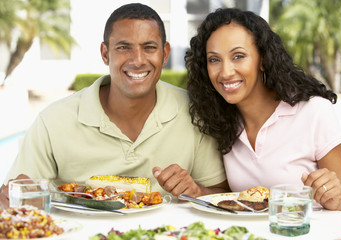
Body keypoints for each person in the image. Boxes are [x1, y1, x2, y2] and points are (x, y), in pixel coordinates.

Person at [0, 3, 229, 209]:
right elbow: (17, 197)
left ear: (165, 53)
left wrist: (198, 192)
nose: (138, 60)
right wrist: (14, 199)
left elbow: (221, 195)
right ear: (105, 53)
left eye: (149, 47)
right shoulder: (53, 121)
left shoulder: (194, 112)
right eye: (123, 47)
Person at [185, 8, 341, 214]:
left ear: (263, 60)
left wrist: (335, 203)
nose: (226, 72)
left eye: (238, 56)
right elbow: (232, 199)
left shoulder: (313, 112)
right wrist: (196, 190)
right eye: (214, 59)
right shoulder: (220, 121)